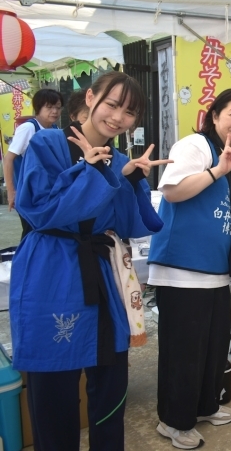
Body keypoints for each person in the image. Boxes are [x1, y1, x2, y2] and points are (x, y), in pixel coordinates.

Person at [10, 71, 167, 450]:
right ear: (92, 98)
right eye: (112, 104)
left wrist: (130, 180)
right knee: (54, 391)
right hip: (53, 269)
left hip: (102, 273)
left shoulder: (120, 159)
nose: (118, 117)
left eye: (129, 112)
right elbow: (41, 211)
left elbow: (131, 225)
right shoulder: (48, 143)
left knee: (110, 387)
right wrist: (91, 170)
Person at [147, 89, 231, 449]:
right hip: (182, 268)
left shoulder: (230, 160)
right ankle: (174, 422)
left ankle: (204, 406)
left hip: (215, 270)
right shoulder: (195, 146)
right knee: (184, 351)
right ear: (214, 115)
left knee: (212, 347)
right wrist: (218, 169)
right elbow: (172, 191)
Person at [3, 88, 64, 237]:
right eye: (49, 107)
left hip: (45, 193)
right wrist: (11, 192)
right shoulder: (28, 128)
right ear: (38, 108)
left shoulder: (55, 129)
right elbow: (8, 159)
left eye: (58, 107)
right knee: (31, 233)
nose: (55, 111)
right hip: (27, 193)